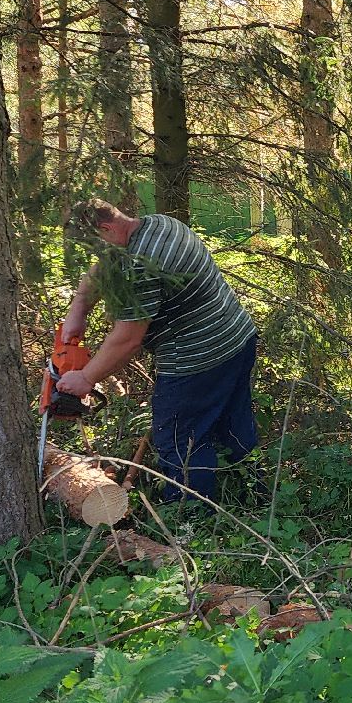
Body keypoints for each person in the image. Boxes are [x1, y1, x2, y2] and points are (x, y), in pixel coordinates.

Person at [58, 198, 260, 504]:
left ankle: (190, 522)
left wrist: (86, 378)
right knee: (232, 422)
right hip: (237, 337)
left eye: (93, 243)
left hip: (196, 361)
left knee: (179, 440)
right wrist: (79, 308)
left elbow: (128, 339)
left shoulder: (139, 265)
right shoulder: (158, 224)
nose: (94, 253)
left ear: (106, 228)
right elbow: (106, 262)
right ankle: (250, 492)